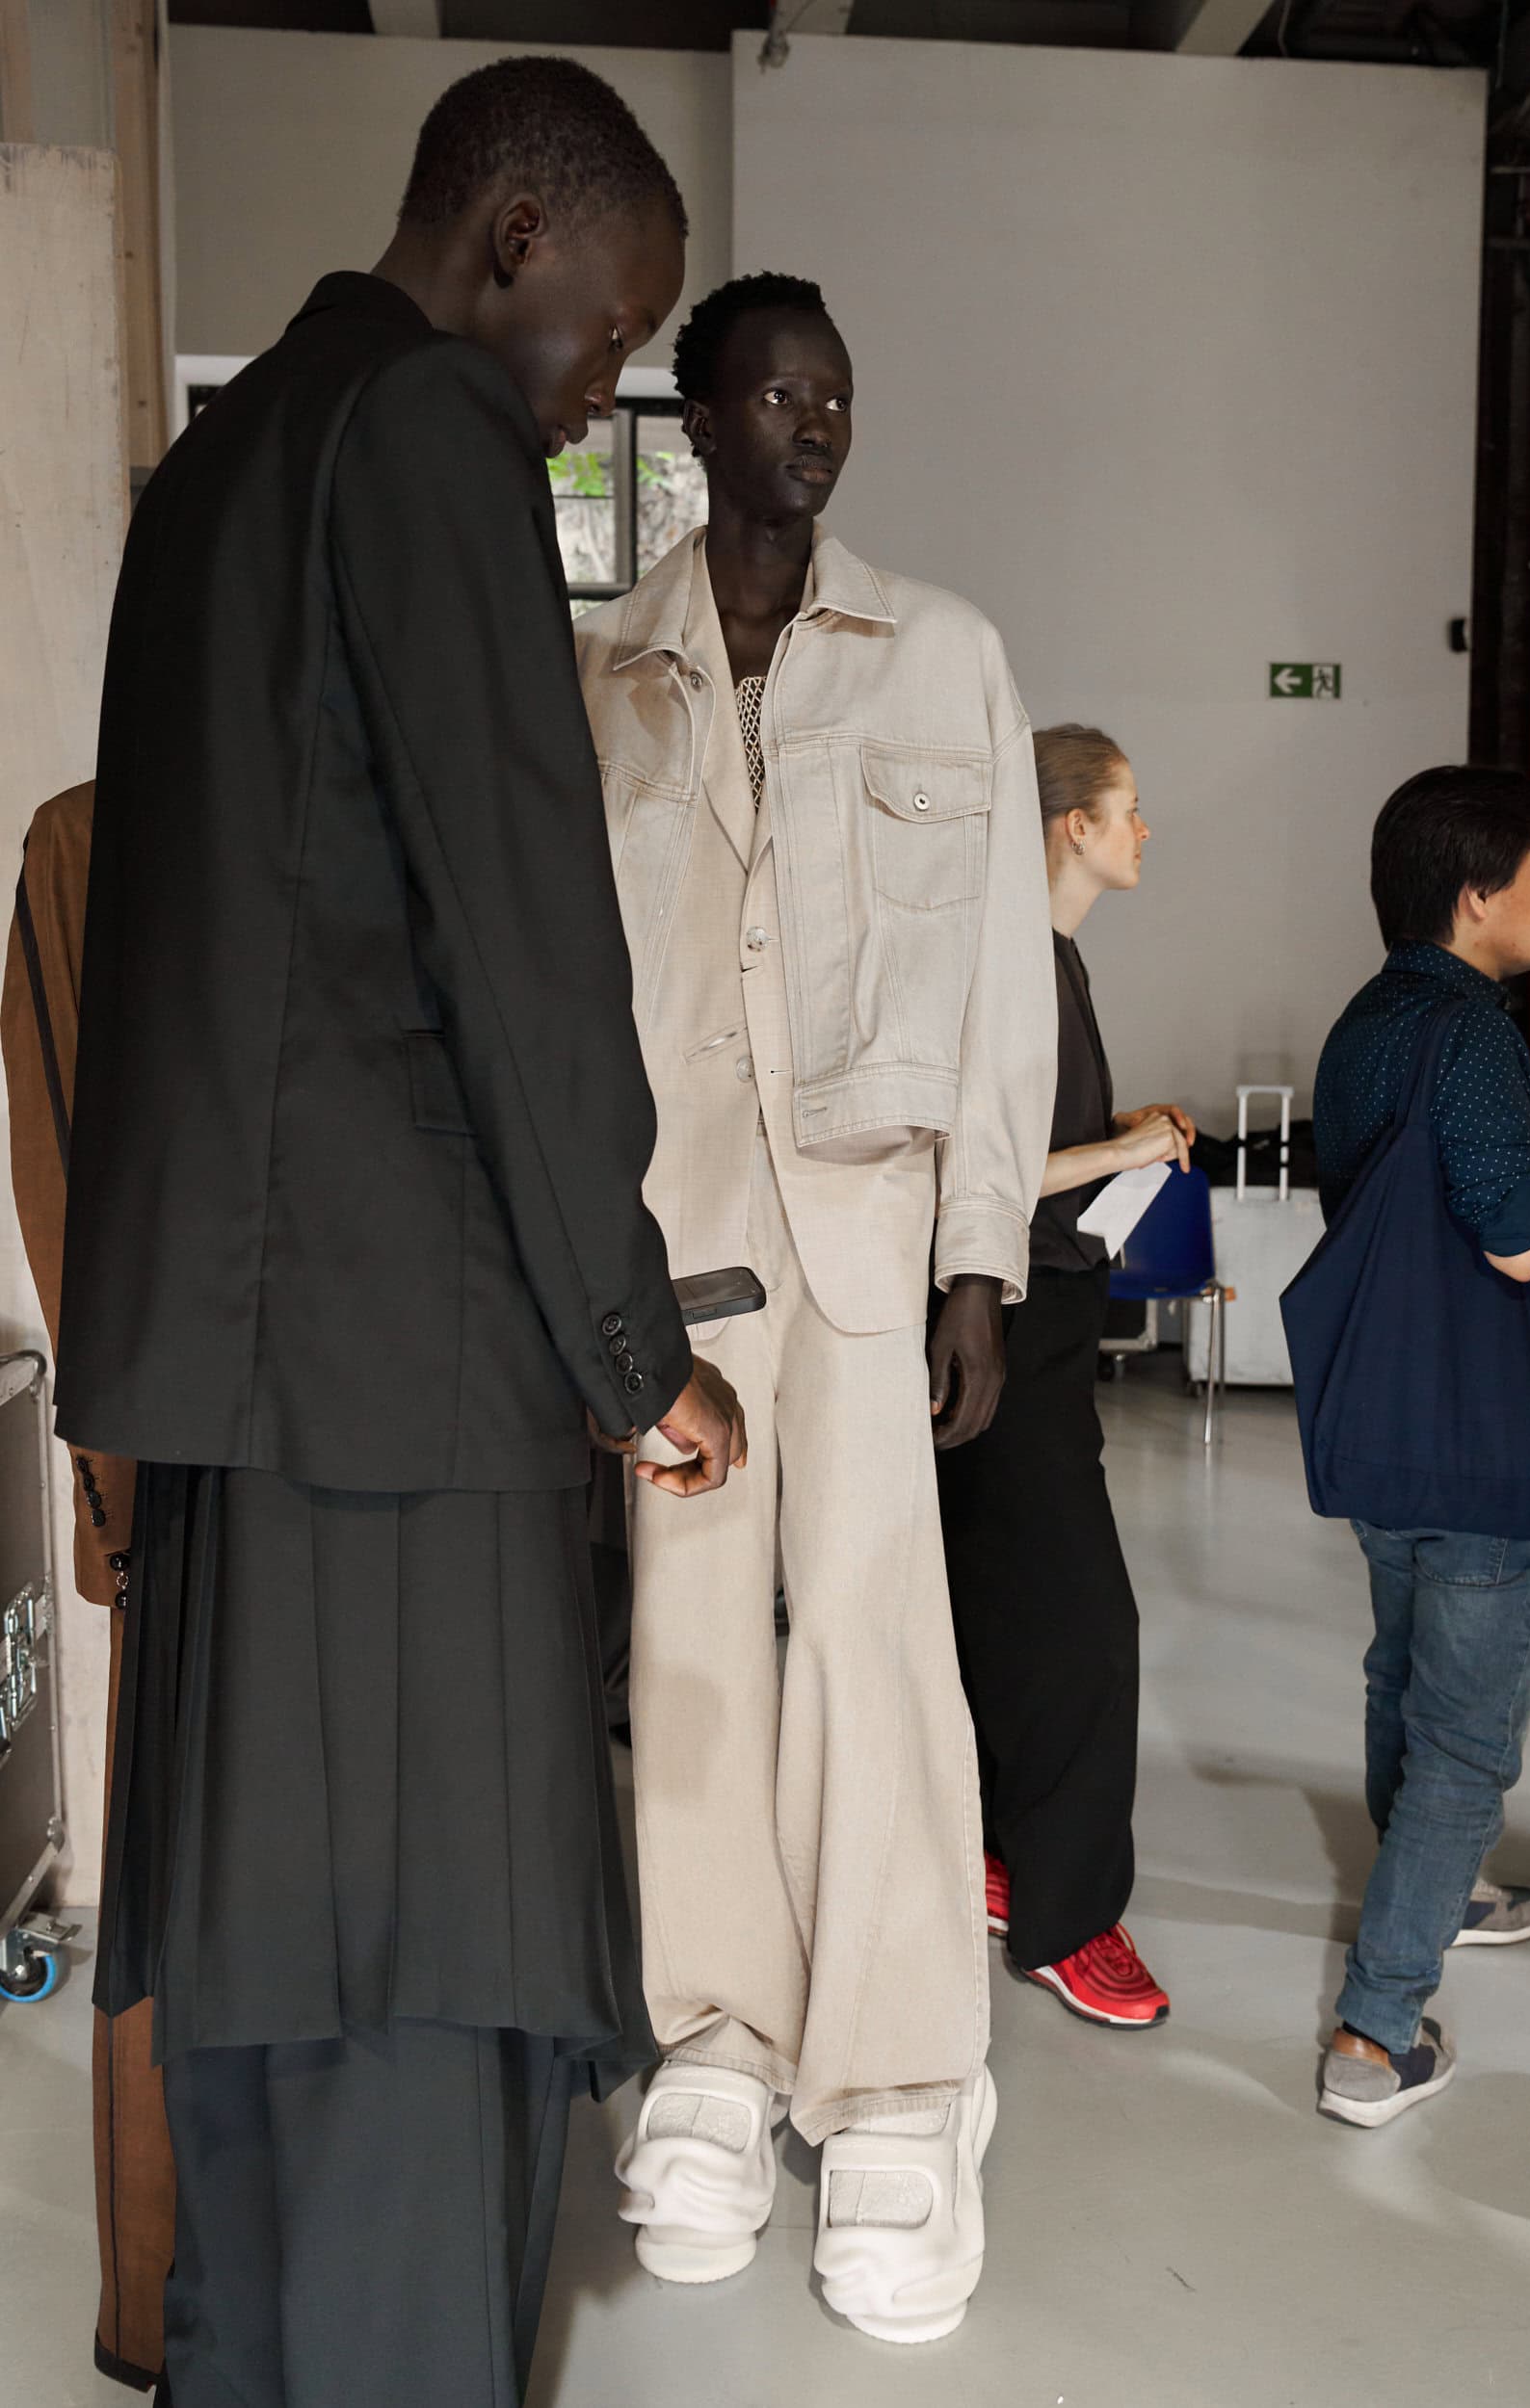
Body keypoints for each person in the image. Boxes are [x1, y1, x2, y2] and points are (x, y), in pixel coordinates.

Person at [53, 59, 745, 2408]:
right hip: (404, 1408)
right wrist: (638, 1343)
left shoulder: (222, 471)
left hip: (237, 1426)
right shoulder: (429, 440)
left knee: (254, 2042)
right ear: (521, 235)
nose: (596, 402)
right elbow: (524, 941)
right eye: (611, 335)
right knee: (414, 2040)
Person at [574, 273, 1057, 2344]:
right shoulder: (605, 673)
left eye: (838, 397)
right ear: (700, 419)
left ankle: (897, 2072)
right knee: (688, 1636)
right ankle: (716, 2036)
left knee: (874, 1629)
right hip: (671, 1236)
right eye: (780, 396)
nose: (818, 428)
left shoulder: (943, 651)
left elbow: (996, 984)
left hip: (870, 1235)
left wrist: (982, 1251)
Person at [1309, 766, 1530, 2128]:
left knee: (1404, 1679)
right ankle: (1374, 2038)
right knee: (1468, 1742)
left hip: (1388, 1424)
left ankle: (1445, 1885)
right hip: (1484, 1440)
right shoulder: (1473, 1034)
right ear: (1476, 896)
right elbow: (1517, 1236)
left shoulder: (1369, 1020)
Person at [936, 724, 1189, 2031]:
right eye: (1127, 809)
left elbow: (1037, 1147)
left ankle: (998, 1853)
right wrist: (1121, 1147)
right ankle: (1070, 1920)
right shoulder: (1012, 970)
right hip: (1007, 1340)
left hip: (1037, 1332)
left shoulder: (1052, 964)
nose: (1145, 831)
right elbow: (967, 1173)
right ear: (1070, 825)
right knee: (1088, 1636)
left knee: (1002, 1614)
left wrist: (1121, 1138)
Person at [1, 781, 172, 2397]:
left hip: (388, 1469)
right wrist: (114, 1488)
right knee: (175, 1913)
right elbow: (62, 1187)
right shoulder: (87, 841)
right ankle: (160, 2314)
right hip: (181, 1487)